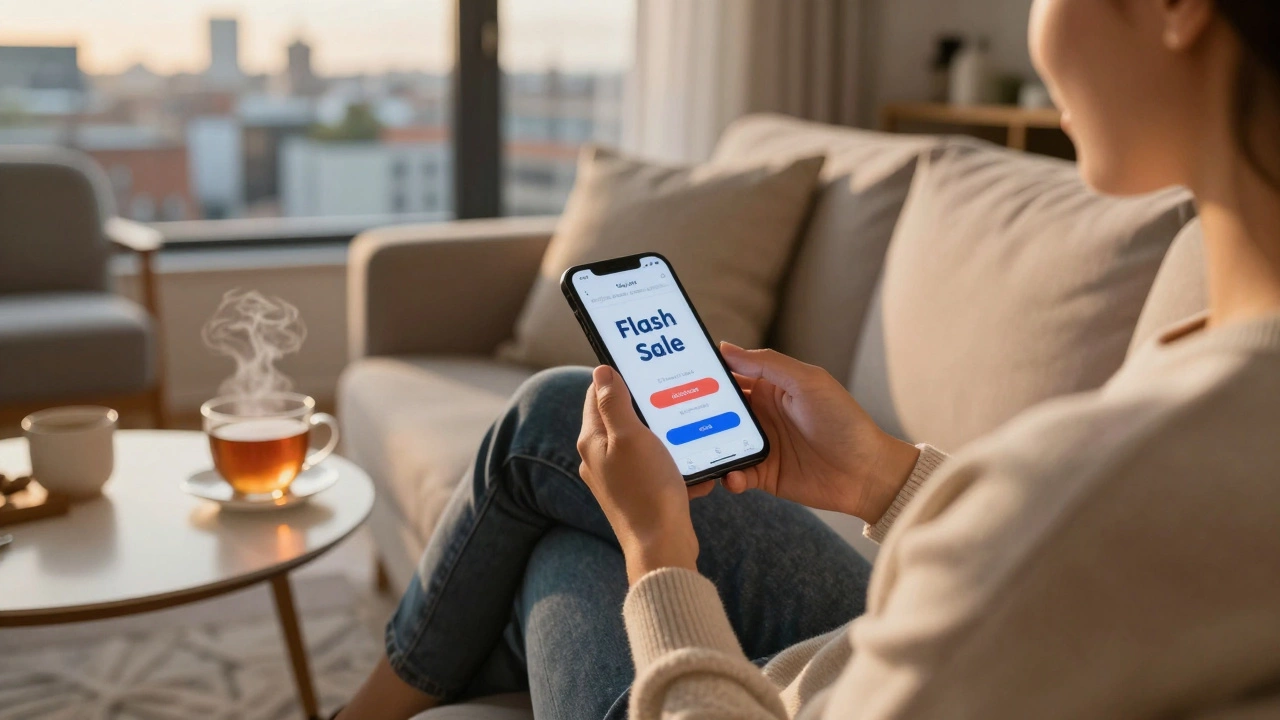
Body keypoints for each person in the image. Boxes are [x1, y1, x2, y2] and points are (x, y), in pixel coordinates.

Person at [338, 0, 1280, 717]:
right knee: (558, 436)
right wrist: (888, 479)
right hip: (878, 647)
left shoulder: (1093, 480)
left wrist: (659, 554)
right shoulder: (1214, 386)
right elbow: (1077, 590)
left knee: (556, 497)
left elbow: (1055, 545)